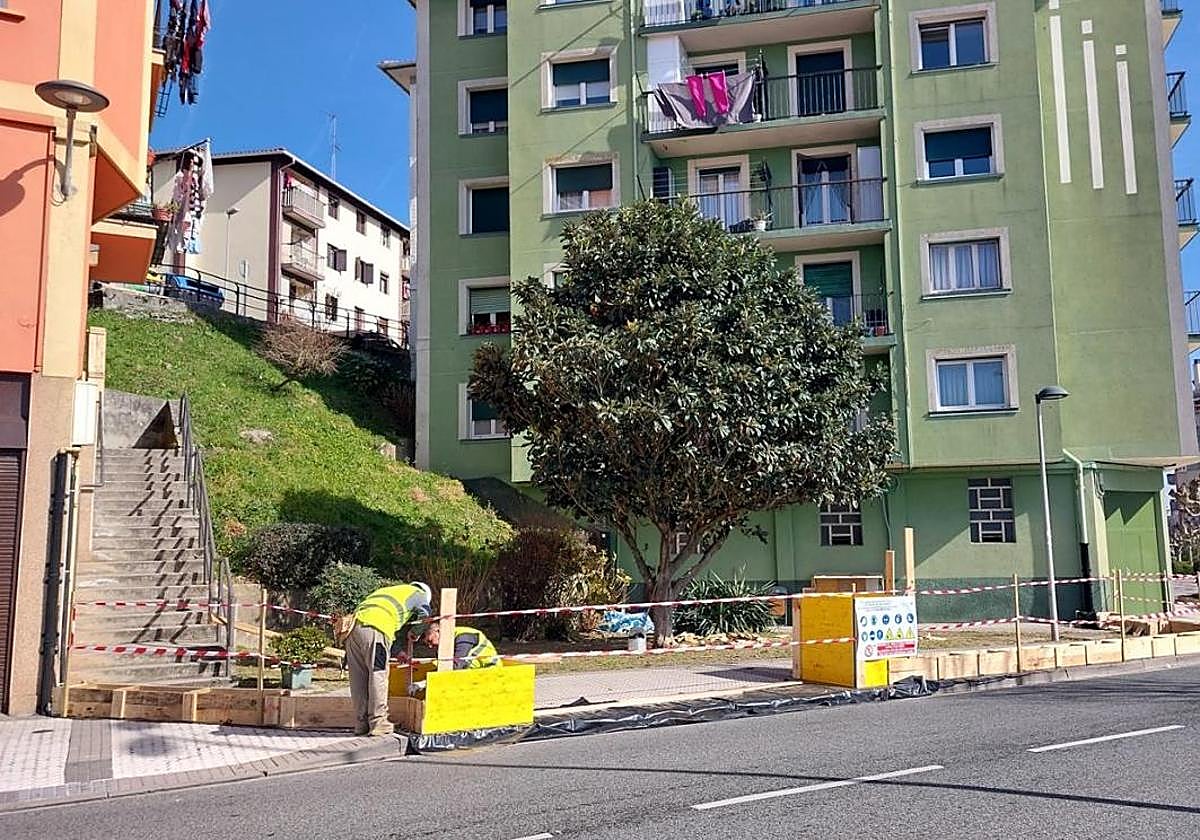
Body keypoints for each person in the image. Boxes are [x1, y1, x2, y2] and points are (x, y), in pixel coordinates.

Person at [346, 581, 432, 736]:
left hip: (353, 630)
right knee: (378, 675)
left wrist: (397, 652)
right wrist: (416, 631)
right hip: (377, 629)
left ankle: (361, 724)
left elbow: (385, 629)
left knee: (358, 678)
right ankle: (379, 723)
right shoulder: (419, 595)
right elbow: (425, 615)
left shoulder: (390, 592)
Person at [422, 622, 501, 670]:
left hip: (491, 670)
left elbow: (457, 667)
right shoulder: (447, 643)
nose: (430, 646)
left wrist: (424, 683)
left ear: (438, 631)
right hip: (477, 671)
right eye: (426, 644)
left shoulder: (463, 637)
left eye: (430, 641)